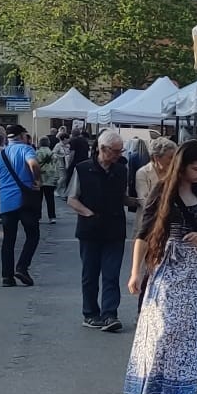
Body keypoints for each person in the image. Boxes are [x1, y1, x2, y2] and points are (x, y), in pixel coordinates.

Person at [124, 141, 197, 394]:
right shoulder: (162, 190)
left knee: (188, 335)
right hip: (166, 266)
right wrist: (135, 272)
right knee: (161, 329)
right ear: (181, 166)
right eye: (196, 168)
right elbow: (144, 233)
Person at [68, 128, 137, 331]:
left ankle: (109, 315)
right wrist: (87, 213)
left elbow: (122, 197)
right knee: (90, 274)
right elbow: (72, 198)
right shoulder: (82, 169)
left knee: (111, 273)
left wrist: (140, 202)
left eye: (120, 151)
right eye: (115, 151)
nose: (118, 155)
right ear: (103, 149)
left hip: (114, 229)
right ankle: (90, 314)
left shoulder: (121, 170)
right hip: (90, 229)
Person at [0, 123, 42, 287]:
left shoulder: (0, 156)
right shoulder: (26, 149)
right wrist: (37, 180)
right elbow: (33, 164)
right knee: (32, 235)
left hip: (6, 203)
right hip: (25, 200)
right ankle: (22, 267)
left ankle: (7, 277)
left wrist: (4, 187)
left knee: (8, 240)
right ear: (21, 136)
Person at [135, 136, 176, 211]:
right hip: (149, 219)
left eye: (175, 158)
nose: (173, 161)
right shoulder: (143, 173)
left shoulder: (174, 172)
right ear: (156, 157)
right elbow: (144, 202)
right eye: (170, 157)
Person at [35, 134, 60, 220]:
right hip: (50, 177)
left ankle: (38, 216)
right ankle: (52, 217)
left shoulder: (37, 153)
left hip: (40, 177)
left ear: (39, 143)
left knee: (38, 199)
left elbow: (35, 164)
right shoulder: (52, 153)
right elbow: (55, 164)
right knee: (50, 198)